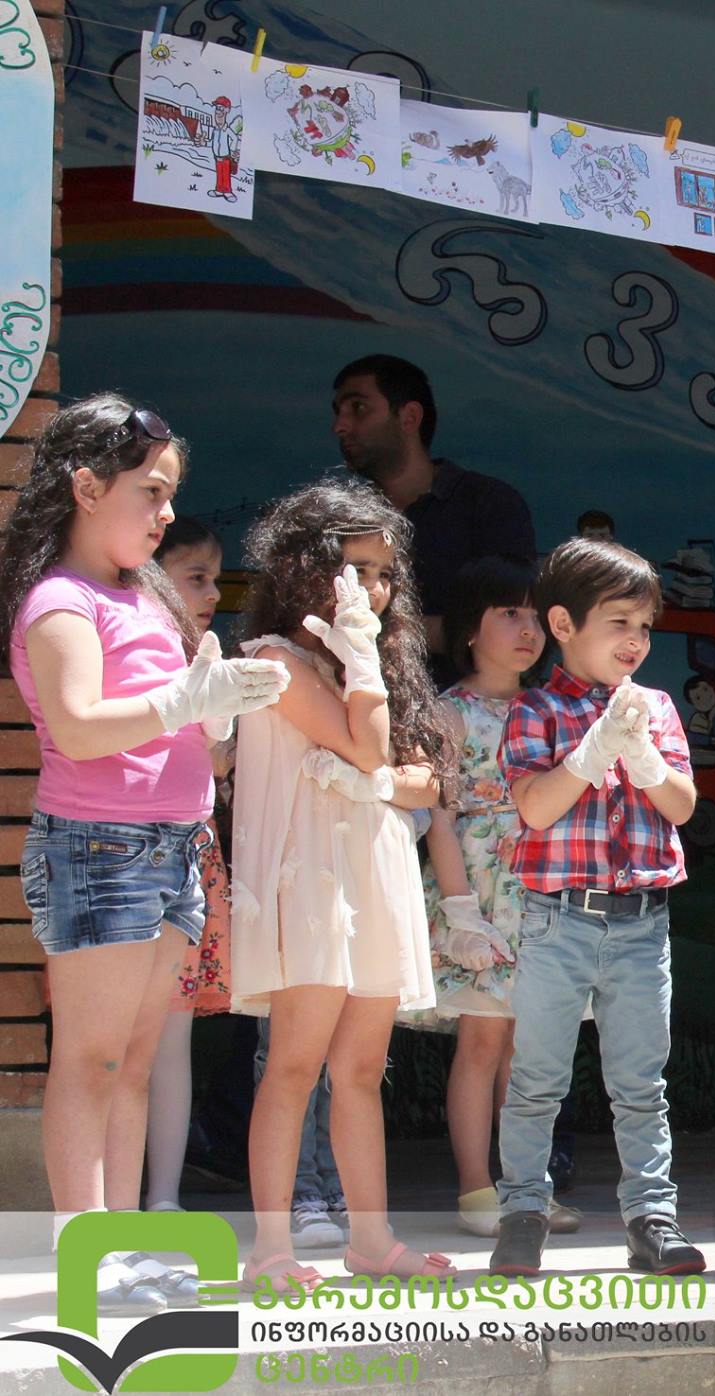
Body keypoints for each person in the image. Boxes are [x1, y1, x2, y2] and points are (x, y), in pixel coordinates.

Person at [0, 396, 285, 1310]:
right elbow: (80, 728)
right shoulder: (61, 600)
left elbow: (196, 742)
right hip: (99, 847)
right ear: (87, 488)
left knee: (131, 1058)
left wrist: (220, 712)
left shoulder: (147, 599)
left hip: (176, 845)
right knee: (90, 1060)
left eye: (169, 494)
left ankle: (120, 1250)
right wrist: (186, 704)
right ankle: (87, 1254)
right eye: (150, 492)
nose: (165, 514)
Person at [232, 481, 454, 1289]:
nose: (375, 589)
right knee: (293, 1066)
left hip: (373, 872)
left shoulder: (383, 661)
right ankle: (272, 1251)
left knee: (361, 1070)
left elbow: (427, 779)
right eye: (356, 569)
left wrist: (384, 772)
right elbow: (367, 747)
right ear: (304, 567)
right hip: (311, 882)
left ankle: (371, 1240)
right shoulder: (273, 661)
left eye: (385, 574)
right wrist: (364, 678)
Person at [486, 539, 703, 1278]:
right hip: (559, 920)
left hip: (642, 920)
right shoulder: (535, 710)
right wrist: (589, 752)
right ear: (564, 624)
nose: (636, 640)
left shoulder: (657, 707)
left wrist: (643, 758)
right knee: (537, 1078)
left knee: (642, 1084)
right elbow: (535, 807)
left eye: (644, 626)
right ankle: (522, 1213)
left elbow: (683, 805)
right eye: (619, 622)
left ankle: (652, 1219)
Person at [413, 557, 582, 1240]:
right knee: (482, 1042)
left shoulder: (552, 708)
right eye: (510, 613)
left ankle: (526, 1190)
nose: (528, 629)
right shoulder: (448, 712)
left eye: (537, 616)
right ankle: (476, 1188)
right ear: (468, 629)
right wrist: (461, 914)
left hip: (542, 894)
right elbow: (439, 818)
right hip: (481, 896)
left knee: (529, 1049)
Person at [144, 519, 235, 1215]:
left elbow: (218, 768)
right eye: (195, 577)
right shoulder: (127, 658)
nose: (212, 593)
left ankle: (164, 1198)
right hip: (123, 853)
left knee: (172, 1037)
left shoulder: (213, 661)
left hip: (191, 855)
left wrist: (219, 724)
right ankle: (107, 1205)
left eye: (215, 578)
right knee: (115, 1040)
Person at [329, 355, 536, 656]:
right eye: (338, 412)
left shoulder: (489, 504)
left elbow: (510, 627)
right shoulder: (341, 517)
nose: (340, 425)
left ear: (410, 417)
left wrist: (372, 629)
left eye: (358, 408)